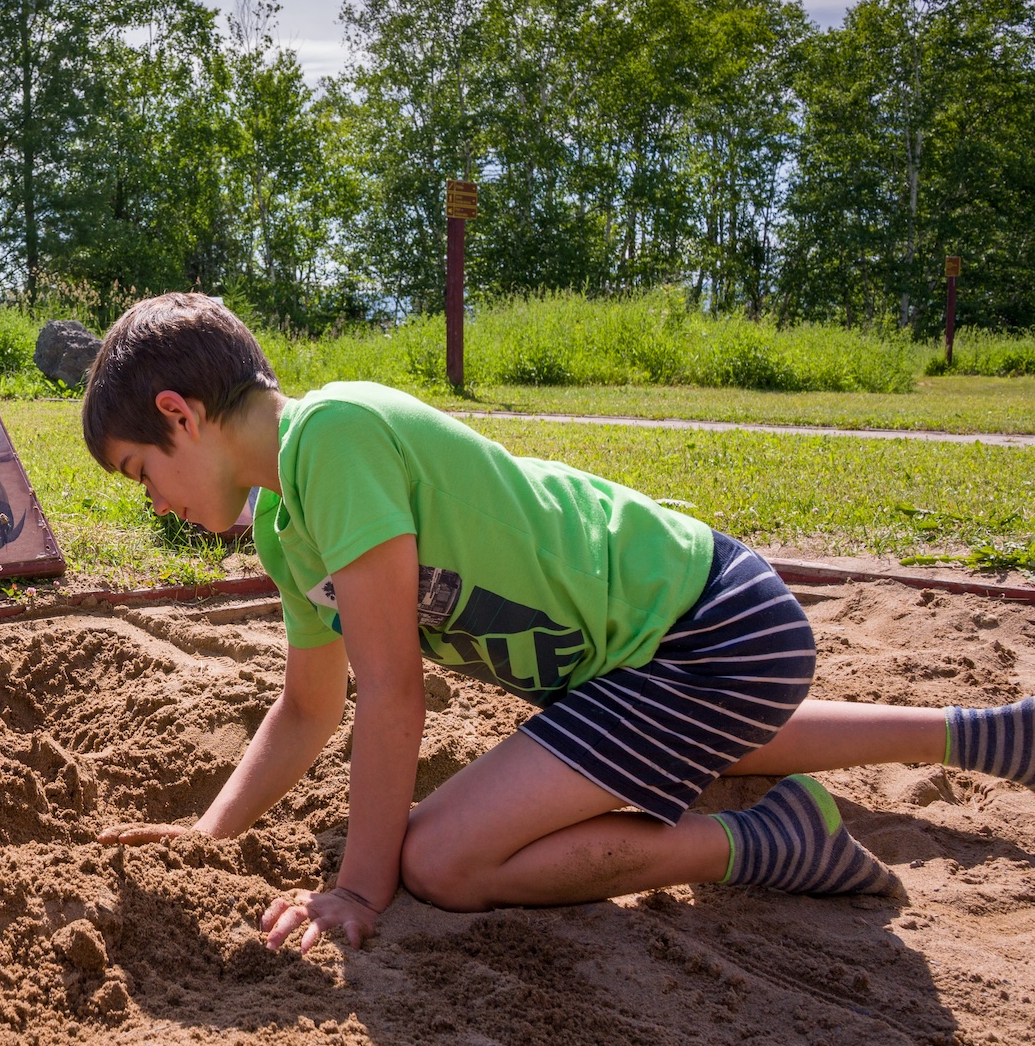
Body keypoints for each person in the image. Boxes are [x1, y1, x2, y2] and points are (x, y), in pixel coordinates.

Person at [79, 292, 1034, 953]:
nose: (151, 500)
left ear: (180, 413)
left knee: (444, 860)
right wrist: (207, 837)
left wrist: (361, 888)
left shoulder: (332, 437)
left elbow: (394, 692)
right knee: (690, 733)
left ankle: (766, 837)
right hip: (658, 658)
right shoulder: (287, 529)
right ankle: (980, 733)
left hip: (711, 627)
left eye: (138, 472)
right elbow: (306, 711)